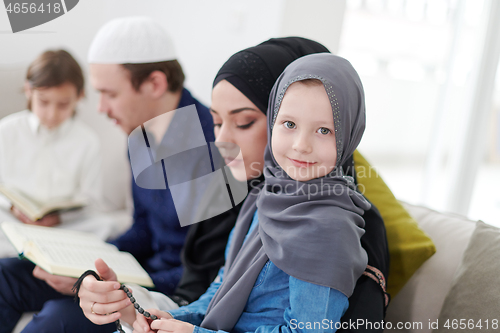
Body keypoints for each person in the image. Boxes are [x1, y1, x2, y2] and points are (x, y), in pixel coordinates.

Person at [79, 39, 389, 333]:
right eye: (289, 124)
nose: (301, 145)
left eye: (324, 130)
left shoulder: (329, 225)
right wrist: (160, 318)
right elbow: (217, 291)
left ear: (350, 132)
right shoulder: (264, 197)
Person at [0, 17, 213, 333]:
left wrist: (105, 282)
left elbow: (206, 271)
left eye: (109, 94)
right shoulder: (139, 138)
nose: (100, 108)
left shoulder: (212, 149)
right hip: (134, 274)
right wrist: (87, 265)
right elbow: (143, 227)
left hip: (166, 291)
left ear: (154, 84)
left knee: (53, 321)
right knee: (5, 276)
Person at [0, 49, 102, 227]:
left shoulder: (88, 142)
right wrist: (12, 208)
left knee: (104, 225)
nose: (52, 114)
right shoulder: (7, 131)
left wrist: (58, 218)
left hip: (62, 226)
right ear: (28, 90)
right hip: (11, 221)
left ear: (79, 96)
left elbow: (91, 201)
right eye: (44, 102)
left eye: (63, 105)